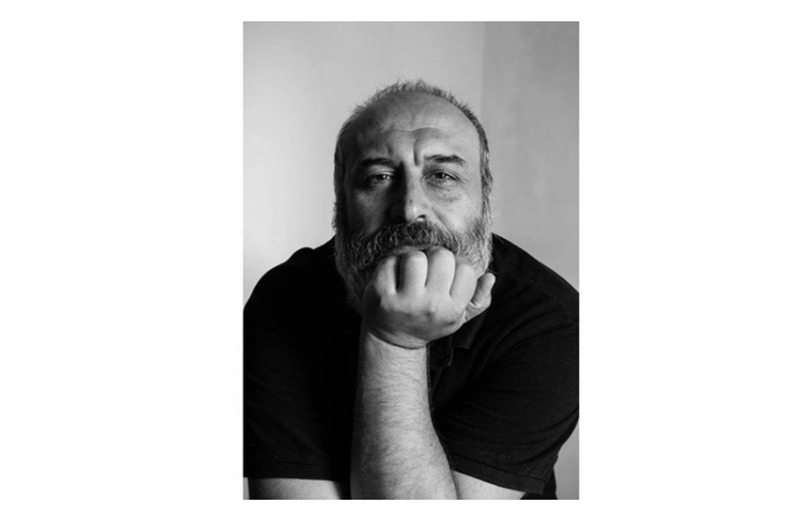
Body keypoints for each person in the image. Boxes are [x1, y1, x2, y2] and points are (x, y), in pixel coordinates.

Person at [244, 80, 578, 499]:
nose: (409, 208)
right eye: (379, 177)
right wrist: (394, 339)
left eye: (442, 175)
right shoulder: (284, 301)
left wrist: (396, 343)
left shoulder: (549, 320)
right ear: (341, 198)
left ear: (484, 195)